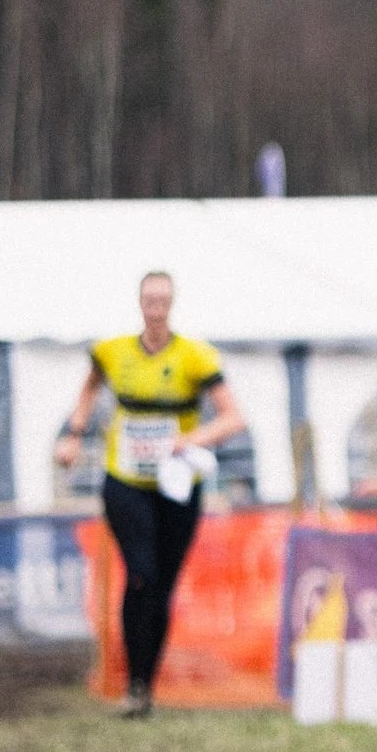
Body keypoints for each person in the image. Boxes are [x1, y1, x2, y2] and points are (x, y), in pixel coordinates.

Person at [54, 271, 246, 719]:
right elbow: (89, 388)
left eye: (163, 301)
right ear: (140, 303)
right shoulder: (113, 351)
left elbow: (234, 417)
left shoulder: (195, 356)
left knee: (161, 585)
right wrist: (73, 434)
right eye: (149, 300)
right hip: (125, 482)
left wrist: (193, 439)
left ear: (171, 304)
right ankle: (133, 683)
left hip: (177, 486)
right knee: (139, 573)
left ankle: (144, 686)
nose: (155, 308)